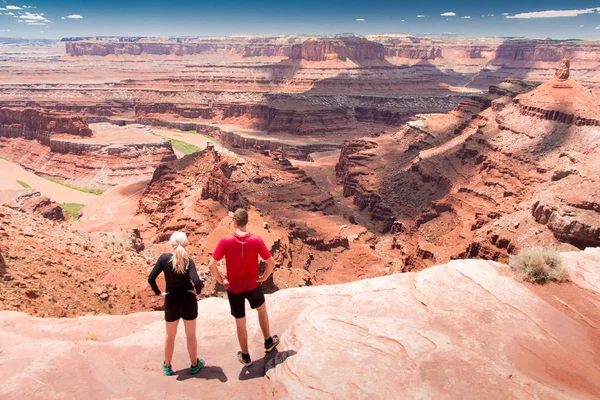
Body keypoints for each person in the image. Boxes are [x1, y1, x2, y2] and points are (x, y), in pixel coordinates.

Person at [208, 208, 279, 367]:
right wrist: (264, 278)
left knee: (240, 322)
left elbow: (211, 265)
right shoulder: (256, 240)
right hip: (253, 286)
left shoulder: (225, 241)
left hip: (233, 289)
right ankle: (268, 341)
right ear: (246, 222)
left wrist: (221, 280)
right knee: (262, 311)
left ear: (234, 222)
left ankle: (246, 356)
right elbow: (271, 263)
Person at [148, 231, 204, 376]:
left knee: (170, 336)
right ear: (185, 244)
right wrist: (196, 291)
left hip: (171, 301)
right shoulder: (188, 261)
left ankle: (167, 366)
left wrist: (158, 292)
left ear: (171, 244)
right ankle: (194, 364)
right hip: (188, 302)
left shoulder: (163, 259)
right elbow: (197, 281)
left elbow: (151, 278)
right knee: (190, 335)